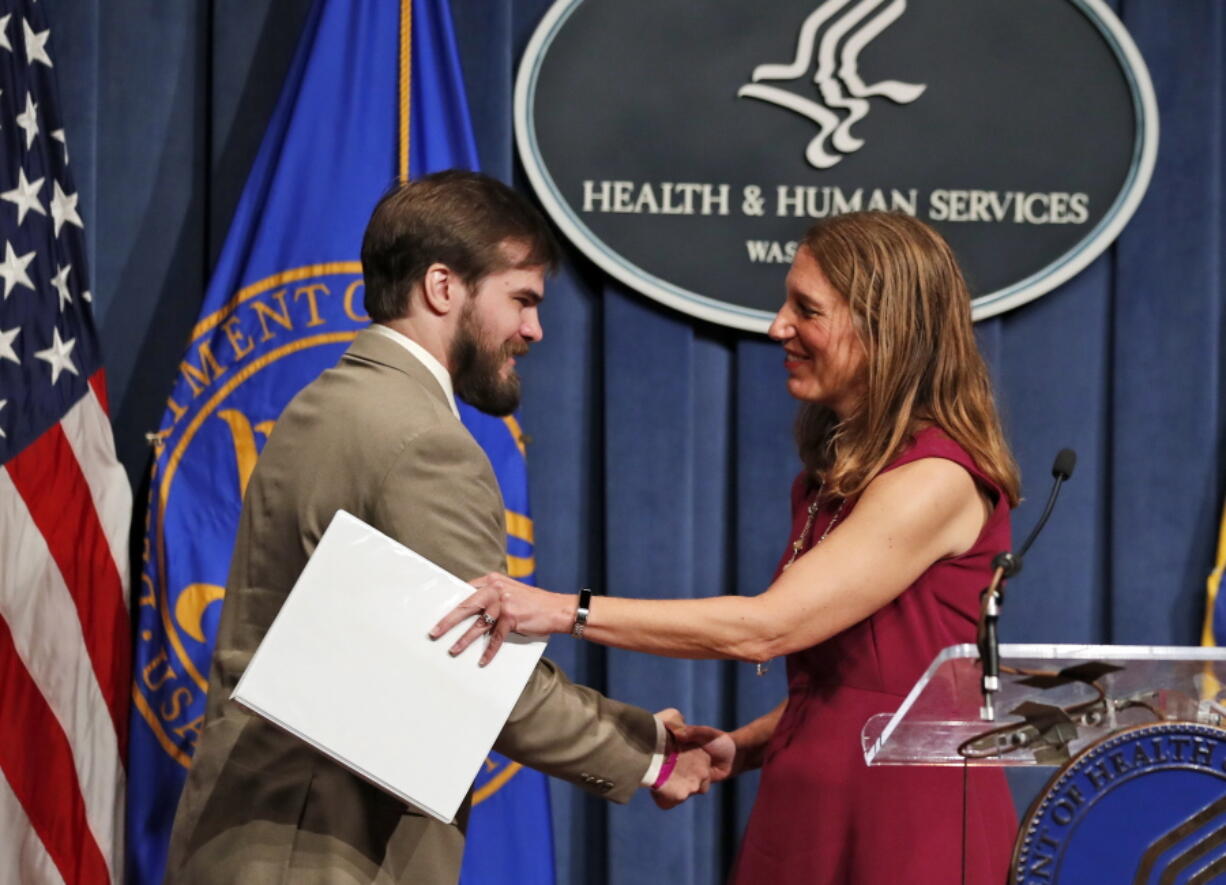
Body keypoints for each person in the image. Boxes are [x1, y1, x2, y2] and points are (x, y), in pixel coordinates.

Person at [164, 170, 731, 885]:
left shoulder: (322, 402)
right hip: (320, 854)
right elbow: (475, 665)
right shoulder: (426, 443)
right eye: (521, 299)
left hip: (246, 840)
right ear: (442, 287)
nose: (534, 329)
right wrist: (653, 754)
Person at [434, 211, 1022, 884]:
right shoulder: (833, 480)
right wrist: (738, 748)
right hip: (807, 806)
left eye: (807, 309)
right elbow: (849, 686)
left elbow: (766, 628)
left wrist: (563, 608)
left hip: (905, 821)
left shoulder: (936, 478)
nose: (778, 327)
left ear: (886, 328)